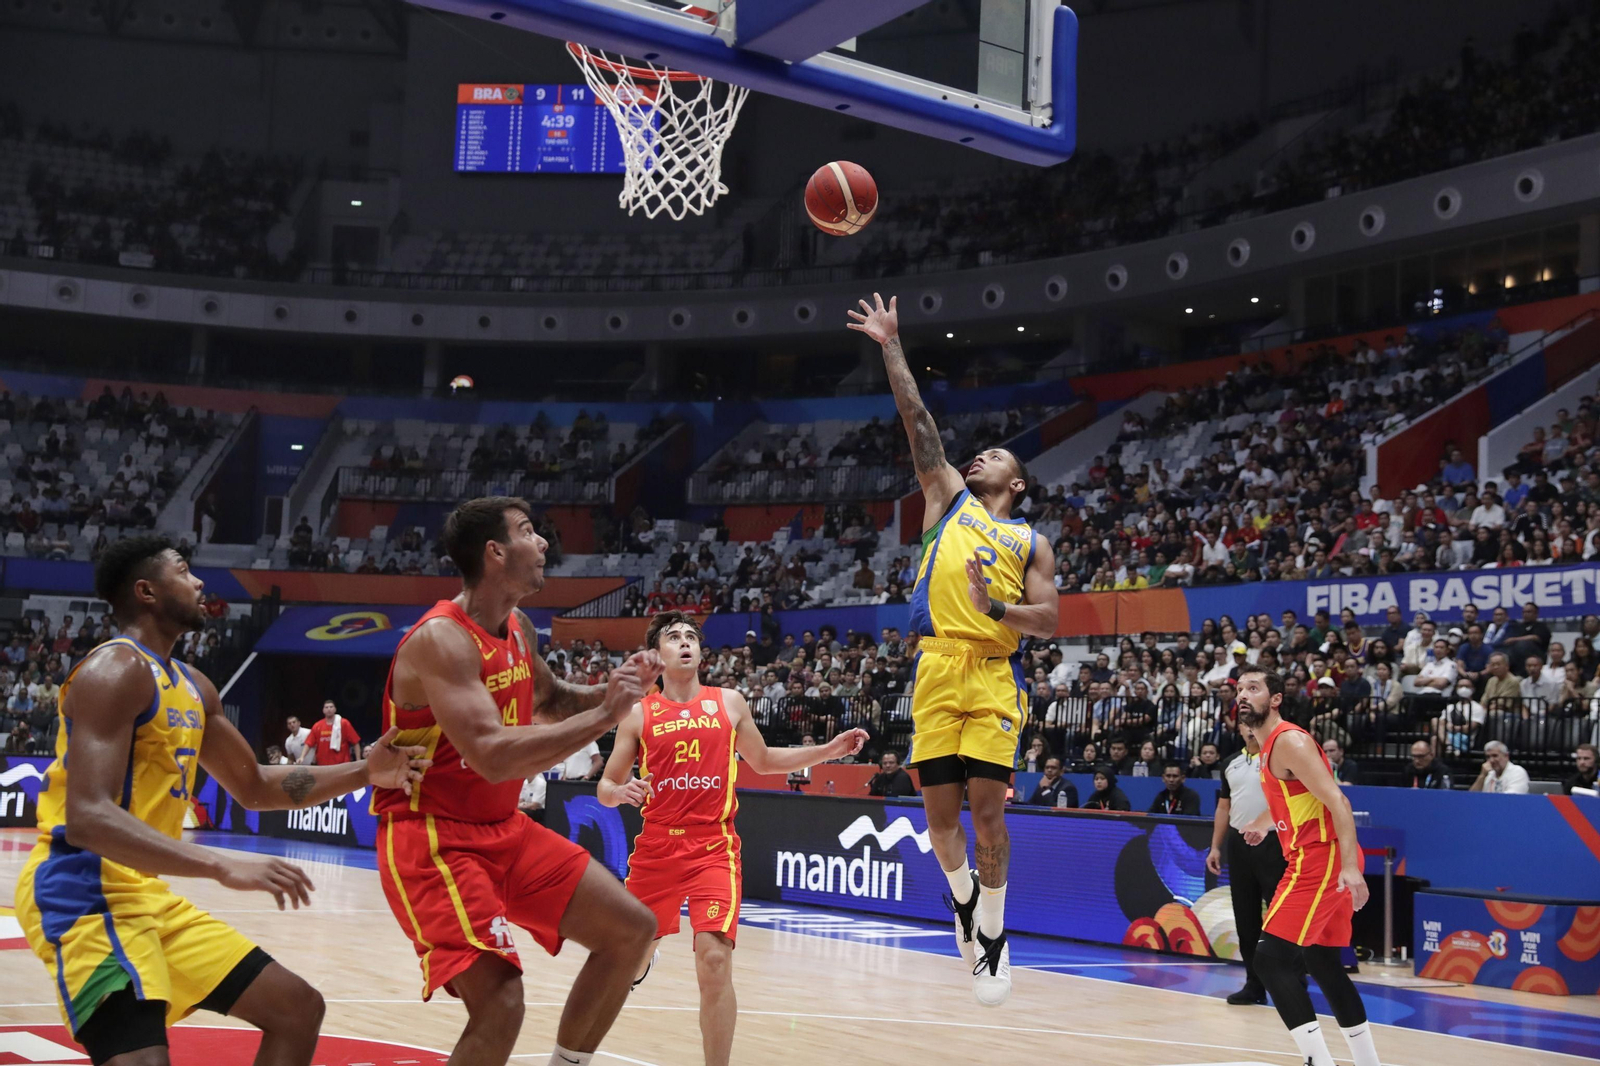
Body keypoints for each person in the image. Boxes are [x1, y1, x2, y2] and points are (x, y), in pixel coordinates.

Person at [15, 534, 428, 1066]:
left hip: (143, 894)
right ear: (146, 591)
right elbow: (90, 819)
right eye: (183, 570)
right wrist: (220, 865)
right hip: (82, 891)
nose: (199, 580)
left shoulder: (194, 686)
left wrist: (366, 771)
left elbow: (255, 787)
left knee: (296, 1009)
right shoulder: (114, 671)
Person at [373, 497, 664, 1066]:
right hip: (432, 839)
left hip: (501, 828)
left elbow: (552, 703)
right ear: (495, 552)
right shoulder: (441, 640)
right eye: (530, 532)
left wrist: (623, 694)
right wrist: (605, 715)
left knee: (632, 930)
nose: (545, 544)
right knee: (502, 1002)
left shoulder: (519, 627)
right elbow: (489, 757)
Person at [848, 292, 1059, 1007]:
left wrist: (994, 605)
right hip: (936, 669)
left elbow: (1050, 621)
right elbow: (918, 422)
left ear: (1018, 482)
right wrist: (890, 345)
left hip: (994, 673)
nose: (979, 456)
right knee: (939, 823)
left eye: (995, 454)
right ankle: (964, 901)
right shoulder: (947, 500)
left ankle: (995, 938)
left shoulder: (1031, 541)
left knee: (988, 811)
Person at [598, 612, 865, 1066]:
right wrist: (619, 791)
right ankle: (643, 962)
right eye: (672, 637)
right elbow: (605, 787)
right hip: (657, 848)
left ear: (700, 651)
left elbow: (762, 761)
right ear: (656, 656)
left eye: (690, 637)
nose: (684, 642)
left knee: (714, 962)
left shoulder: (730, 703)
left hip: (713, 847)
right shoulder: (639, 714)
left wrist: (827, 751)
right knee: (629, 961)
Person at [1234, 666, 1379, 1066]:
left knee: (1270, 958)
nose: (1243, 695)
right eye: (1239, 689)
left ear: (1275, 699)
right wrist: (1264, 824)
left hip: (1323, 857)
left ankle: (1319, 1062)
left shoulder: (1289, 741)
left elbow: (1339, 802)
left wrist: (1349, 867)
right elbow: (1296, 798)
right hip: (1318, 854)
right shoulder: (1266, 749)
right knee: (1322, 961)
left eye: (1253, 688)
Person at [1207, 723, 1288, 1005]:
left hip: (1274, 841)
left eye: (1256, 725)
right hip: (1239, 843)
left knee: (1281, 916)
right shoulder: (1231, 762)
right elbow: (1223, 807)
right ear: (1240, 729)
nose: (1251, 730)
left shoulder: (1278, 758)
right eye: (1246, 725)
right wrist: (1216, 846)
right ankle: (1254, 984)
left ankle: (1290, 984)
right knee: (1245, 917)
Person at [300, 698, 360, 766]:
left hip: (342, 764)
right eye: (326, 707)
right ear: (323, 710)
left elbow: (355, 742)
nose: (329, 709)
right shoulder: (317, 726)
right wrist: (302, 757)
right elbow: (308, 743)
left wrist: (358, 760)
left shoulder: (344, 723)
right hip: (323, 765)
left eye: (331, 707)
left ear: (335, 709)